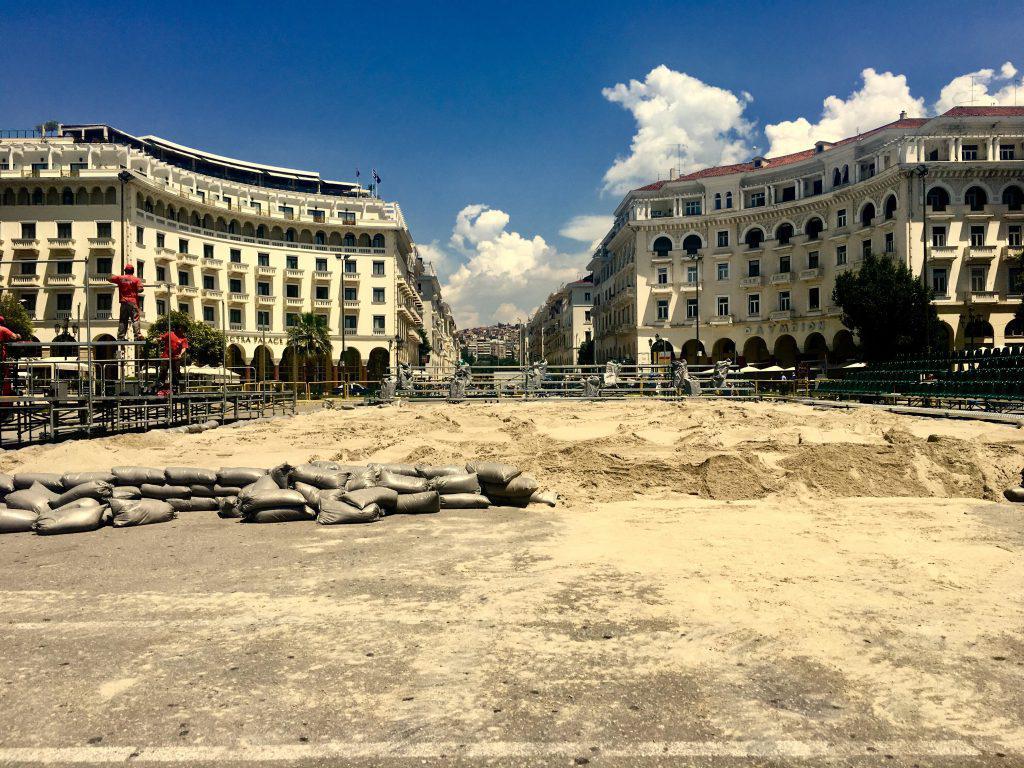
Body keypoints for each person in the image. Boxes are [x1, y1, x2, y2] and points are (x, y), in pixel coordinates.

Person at [108, 264, 144, 343]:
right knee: (135, 319)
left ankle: (121, 337)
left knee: (123, 320)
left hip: (123, 302)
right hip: (133, 302)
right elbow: (140, 289)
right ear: (133, 271)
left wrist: (114, 276)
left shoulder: (120, 278)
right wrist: (136, 288)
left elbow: (109, 278)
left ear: (125, 271)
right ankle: (137, 336)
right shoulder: (136, 280)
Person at [154, 326, 188, 396]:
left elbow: (184, 348)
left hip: (176, 358)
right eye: (180, 328)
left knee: (175, 372)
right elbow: (162, 338)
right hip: (166, 357)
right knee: (163, 370)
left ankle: (175, 386)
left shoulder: (183, 338)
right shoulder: (170, 334)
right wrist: (157, 339)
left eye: (183, 329)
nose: (181, 330)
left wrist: (181, 354)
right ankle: (160, 385)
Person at [0, 316, 21, 398]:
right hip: (1, 358)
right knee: (4, 376)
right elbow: (14, 337)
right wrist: (18, 335)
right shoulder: (3, 329)